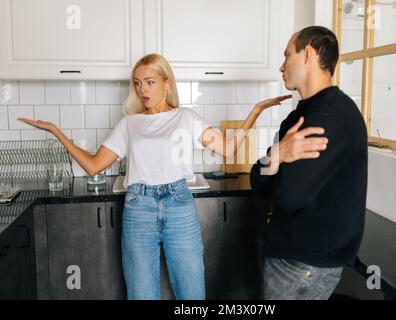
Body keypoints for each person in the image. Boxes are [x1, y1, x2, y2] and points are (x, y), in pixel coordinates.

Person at [18, 53, 326, 300]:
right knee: (141, 294)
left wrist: (255, 111)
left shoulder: (185, 117)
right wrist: (58, 133)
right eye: (137, 83)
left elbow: (229, 150)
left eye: (150, 82)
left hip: (179, 206)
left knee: (191, 294)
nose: (143, 90)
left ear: (167, 83)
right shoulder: (130, 124)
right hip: (138, 208)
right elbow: (94, 165)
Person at [250, 26, 368, 300]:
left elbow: (287, 196)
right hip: (291, 255)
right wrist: (277, 156)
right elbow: (256, 181)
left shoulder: (330, 118)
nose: (281, 66)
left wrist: (272, 167)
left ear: (308, 54)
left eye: (286, 55)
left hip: (304, 264)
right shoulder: (300, 116)